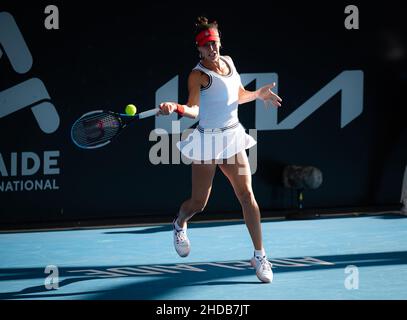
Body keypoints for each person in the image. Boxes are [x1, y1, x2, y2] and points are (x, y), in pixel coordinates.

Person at [157, 16, 282, 283]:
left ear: (219, 42)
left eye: (214, 43)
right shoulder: (198, 75)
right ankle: (179, 222)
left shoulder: (229, 61)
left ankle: (260, 255)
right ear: (198, 48)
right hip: (207, 142)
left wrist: (258, 94)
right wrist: (176, 108)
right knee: (199, 203)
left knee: (247, 195)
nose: (212, 49)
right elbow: (194, 110)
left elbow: (236, 95)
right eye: (206, 46)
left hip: (232, 137)